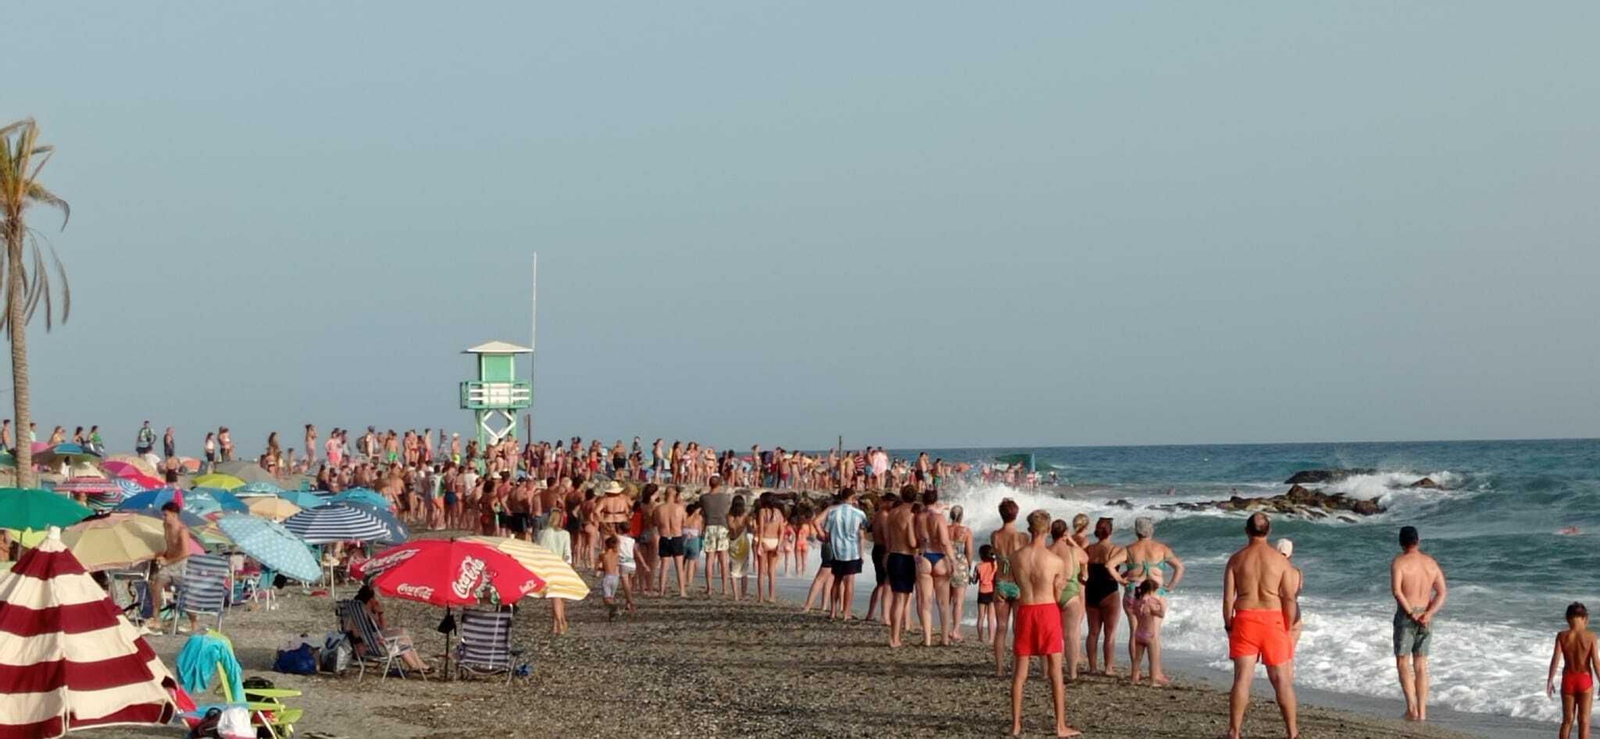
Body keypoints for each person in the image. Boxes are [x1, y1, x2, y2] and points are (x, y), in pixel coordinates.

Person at [1223, 512, 1298, 739]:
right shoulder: (1281, 561)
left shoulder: (1236, 559)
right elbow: (1289, 598)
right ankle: (1292, 733)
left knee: (1242, 678)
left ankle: (1235, 732)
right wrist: (1287, 626)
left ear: (1247, 531)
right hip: (1273, 619)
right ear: (1269, 531)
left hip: (1245, 618)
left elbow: (1228, 599)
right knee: (1281, 680)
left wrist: (1229, 625)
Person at [1008, 509, 1078, 738]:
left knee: (1020, 673)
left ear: (1030, 529)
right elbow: (1057, 595)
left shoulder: (1015, 557)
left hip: (1026, 610)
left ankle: (1016, 725)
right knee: (1055, 671)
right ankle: (1060, 726)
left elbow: (1016, 583)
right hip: (1047, 610)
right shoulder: (1055, 561)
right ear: (1048, 529)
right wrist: (1059, 587)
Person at [1391, 524, 1447, 722]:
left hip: (1408, 614)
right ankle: (1422, 712)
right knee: (1421, 664)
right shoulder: (1430, 563)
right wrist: (1429, 613)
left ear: (1401, 543)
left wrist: (1409, 613)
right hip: (1426, 614)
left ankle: (1411, 709)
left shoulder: (1399, 562)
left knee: (1403, 662)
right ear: (1418, 541)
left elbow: (1397, 591)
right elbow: (1442, 592)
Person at [1121, 516, 1183, 683]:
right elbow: (1179, 567)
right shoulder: (1161, 548)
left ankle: (1135, 673)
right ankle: (1155, 673)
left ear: (1136, 531)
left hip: (1134, 590)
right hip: (1155, 592)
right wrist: (1170, 586)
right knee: (1153, 634)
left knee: (1135, 632)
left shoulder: (1129, 549)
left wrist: (1121, 579)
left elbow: (1109, 565)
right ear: (1151, 530)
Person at [349, 585, 431, 673]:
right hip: (367, 646)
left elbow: (382, 630)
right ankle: (416, 665)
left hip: (371, 642)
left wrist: (379, 614)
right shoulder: (364, 613)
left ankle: (416, 665)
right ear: (371, 600)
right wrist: (380, 613)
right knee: (402, 635)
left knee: (401, 638)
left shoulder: (358, 612)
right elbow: (382, 629)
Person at [989, 499, 1028, 674]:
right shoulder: (1022, 537)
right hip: (1017, 583)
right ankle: (1015, 665)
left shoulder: (995, 536)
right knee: (1018, 629)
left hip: (1001, 583)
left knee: (1001, 627)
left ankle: (999, 669)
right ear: (1016, 514)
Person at [1084, 517, 1126, 676]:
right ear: (1111, 531)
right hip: (1109, 591)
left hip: (1091, 590)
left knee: (1093, 632)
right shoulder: (1115, 550)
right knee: (1110, 633)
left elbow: (1082, 569)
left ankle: (1092, 667)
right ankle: (1108, 668)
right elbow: (1130, 567)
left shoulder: (1089, 549)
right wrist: (1122, 578)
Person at [1548, 602, 1597, 739]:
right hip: (1585, 680)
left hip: (1568, 680)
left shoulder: (1562, 636)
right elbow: (1596, 662)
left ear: (1567, 618)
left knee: (1567, 720)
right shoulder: (1591, 636)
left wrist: (1550, 680)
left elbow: (1555, 659)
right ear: (1585, 618)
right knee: (1584, 721)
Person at [145, 502, 193, 636]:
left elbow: (186, 552)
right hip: (169, 564)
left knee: (185, 594)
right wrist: (163, 555)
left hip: (181, 564)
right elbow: (169, 544)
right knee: (156, 586)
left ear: (174, 515)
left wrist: (168, 561)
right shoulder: (165, 525)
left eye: (166, 515)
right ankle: (156, 619)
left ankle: (194, 623)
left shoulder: (182, 530)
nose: (164, 518)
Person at [1048, 519, 1088, 681]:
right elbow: (1086, 558)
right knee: (1071, 635)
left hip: (1051, 594)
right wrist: (1071, 540)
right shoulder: (1074, 551)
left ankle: (1051, 671)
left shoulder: (1047, 550)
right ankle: (1072, 672)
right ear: (1065, 533)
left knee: (1053, 634)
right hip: (1070, 594)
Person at [821, 487, 868, 620]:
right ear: (852, 498)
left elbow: (826, 531)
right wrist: (862, 553)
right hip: (852, 551)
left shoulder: (832, 512)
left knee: (836, 580)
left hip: (837, 550)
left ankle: (833, 611)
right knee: (849, 582)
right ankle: (846, 612)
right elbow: (862, 532)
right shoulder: (859, 513)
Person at [535, 508, 573, 634]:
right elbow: (567, 554)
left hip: (546, 566)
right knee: (559, 597)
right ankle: (559, 622)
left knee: (555, 596)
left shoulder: (541, 533)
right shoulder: (565, 534)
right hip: (561, 565)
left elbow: (538, 552)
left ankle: (558, 623)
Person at [699, 477, 733, 597]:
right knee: (723, 559)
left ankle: (709, 588)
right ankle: (724, 588)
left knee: (710, 559)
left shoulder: (704, 498)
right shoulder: (725, 497)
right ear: (719, 484)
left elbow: (702, 513)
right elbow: (727, 512)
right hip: (722, 527)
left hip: (709, 526)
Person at [1128, 580, 1167, 684]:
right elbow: (1161, 614)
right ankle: (1153, 681)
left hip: (1138, 633)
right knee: (1153, 659)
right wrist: (1161, 604)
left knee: (1137, 659)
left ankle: (1134, 679)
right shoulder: (1150, 603)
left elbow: (1134, 611)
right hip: (1150, 635)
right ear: (1151, 590)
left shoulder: (1137, 601)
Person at [653, 485, 688, 597]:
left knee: (664, 566)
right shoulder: (680, 508)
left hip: (664, 536)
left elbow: (655, 522)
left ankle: (661, 591)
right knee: (679, 566)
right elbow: (684, 523)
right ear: (675, 495)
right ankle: (682, 591)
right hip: (676, 537)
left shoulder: (659, 508)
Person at [947, 505, 975, 644]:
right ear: (961, 516)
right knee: (958, 602)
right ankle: (955, 630)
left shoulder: (945, 529)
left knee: (945, 600)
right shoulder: (966, 531)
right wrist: (969, 566)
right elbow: (969, 552)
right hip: (960, 564)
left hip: (946, 563)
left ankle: (945, 628)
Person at [1277, 538, 1304, 649]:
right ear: (1291, 554)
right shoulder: (1298, 572)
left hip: (1279, 613)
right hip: (1295, 614)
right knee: (1289, 653)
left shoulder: (1273, 572)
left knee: (1275, 655)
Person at [975, 544, 997, 644]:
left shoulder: (978, 566)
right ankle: (991, 639)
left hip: (982, 592)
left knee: (981, 617)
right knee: (990, 618)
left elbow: (975, 580)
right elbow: (996, 579)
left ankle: (980, 638)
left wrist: (971, 579)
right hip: (991, 592)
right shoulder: (994, 565)